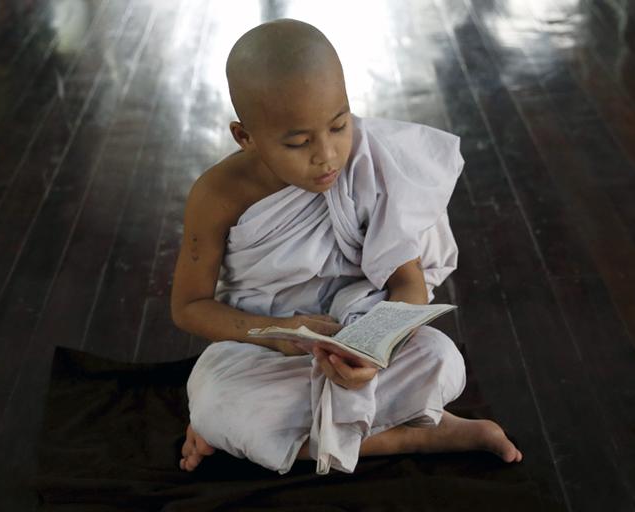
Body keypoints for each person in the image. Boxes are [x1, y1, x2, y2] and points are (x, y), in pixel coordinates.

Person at [171, 18, 522, 475]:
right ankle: (420, 434)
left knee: (441, 359)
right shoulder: (216, 194)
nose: (328, 156)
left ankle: (250, 439)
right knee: (218, 402)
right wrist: (275, 334)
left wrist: (373, 353)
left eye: (338, 126)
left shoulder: (368, 162)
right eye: (298, 142)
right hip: (265, 349)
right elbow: (190, 307)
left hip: (361, 340)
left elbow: (408, 285)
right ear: (245, 137)